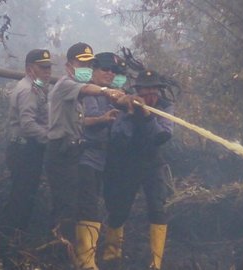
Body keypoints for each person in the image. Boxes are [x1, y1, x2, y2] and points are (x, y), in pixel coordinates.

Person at [44, 42, 125, 268]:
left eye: (89, 64)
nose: (86, 67)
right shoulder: (66, 84)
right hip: (60, 151)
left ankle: (76, 260)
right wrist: (108, 91)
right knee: (65, 209)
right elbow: (89, 89)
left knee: (75, 208)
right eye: (82, 63)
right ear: (70, 64)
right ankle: (62, 259)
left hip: (72, 151)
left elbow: (80, 121)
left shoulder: (78, 90)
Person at [103, 70, 174, 270]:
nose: (149, 96)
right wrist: (131, 114)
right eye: (145, 91)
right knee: (119, 210)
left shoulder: (165, 107)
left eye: (153, 91)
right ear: (138, 91)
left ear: (159, 91)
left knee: (158, 209)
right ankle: (111, 257)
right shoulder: (125, 107)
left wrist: (147, 117)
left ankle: (155, 263)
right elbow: (118, 137)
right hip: (127, 164)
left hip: (153, 163)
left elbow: (163, 135)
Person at [75, 52, 125, 269]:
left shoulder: (116, 95)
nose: (109, 73)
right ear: (94, 70)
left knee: (114, 203)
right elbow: (79, 122)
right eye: (105, 69)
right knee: (89, 207)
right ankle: (85, 261)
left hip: (108, 159)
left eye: (113, 71)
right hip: (87, 156)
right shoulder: (85, 92)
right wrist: (103, 119)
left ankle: (112, 254)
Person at [0, 49, 53, 233]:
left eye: (49, 67)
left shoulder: (37, 88)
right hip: (24, 149)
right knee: (21, 198)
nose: (47, 71)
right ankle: (7, 240)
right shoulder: (28, 90)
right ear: (30, 68)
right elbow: (28, 124)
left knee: (24, 197)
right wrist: (50, 138)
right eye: (43, 67)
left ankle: (15, 239)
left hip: (28, 149)